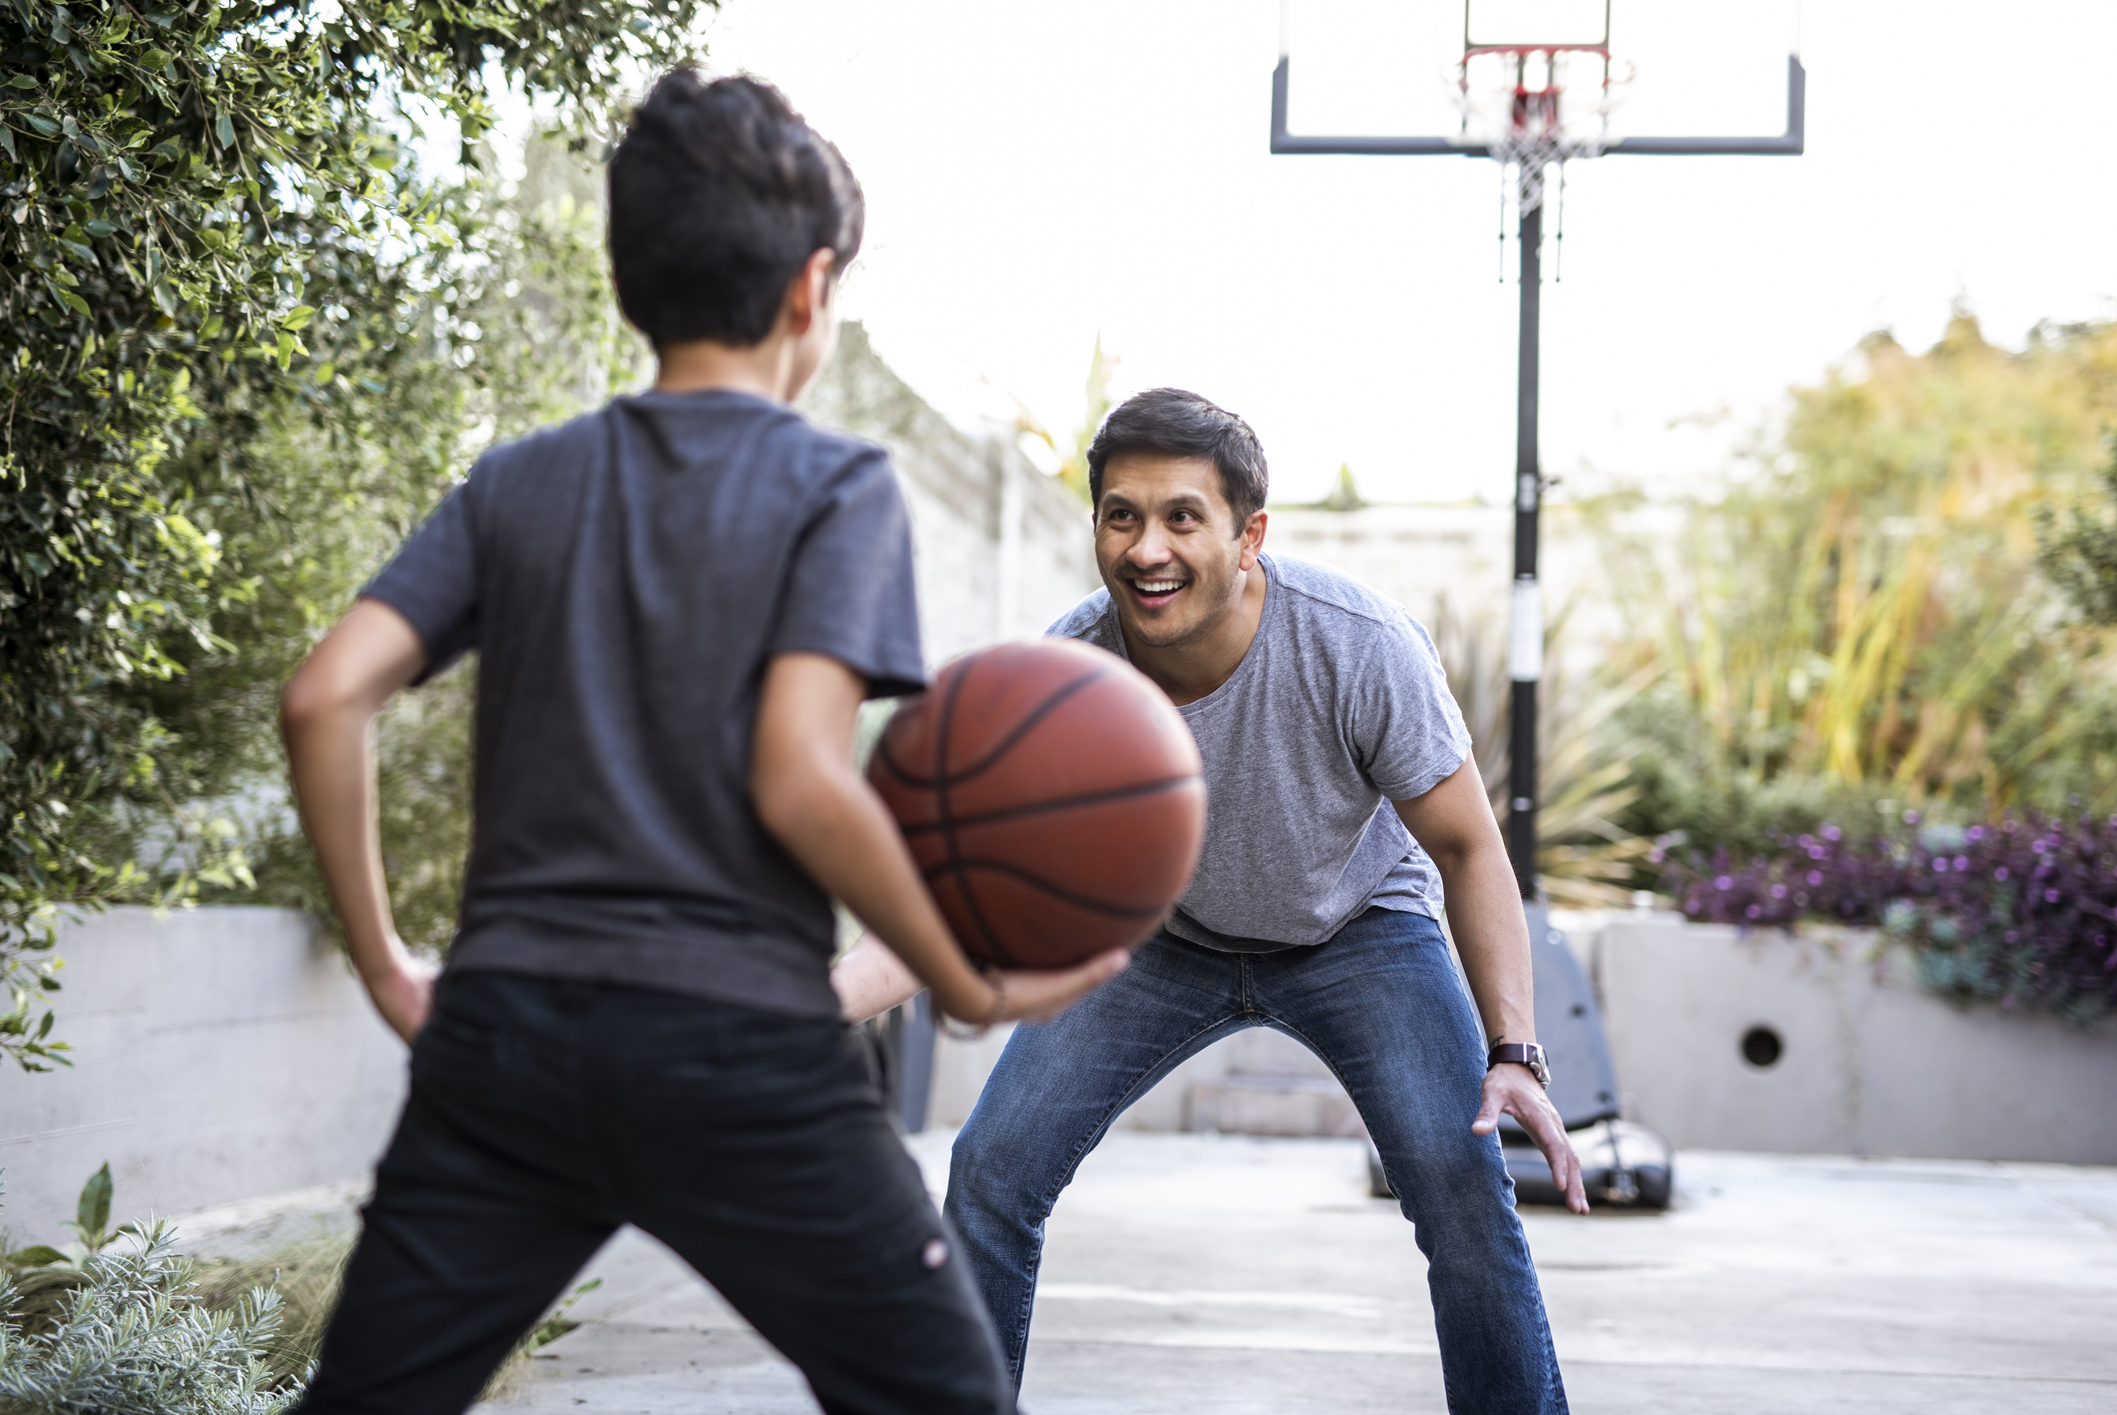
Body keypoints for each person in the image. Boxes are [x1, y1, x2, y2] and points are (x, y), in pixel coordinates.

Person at [278, 69, 1123, 1415]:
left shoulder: (518, 479)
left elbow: (324, 694)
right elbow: (798, 771)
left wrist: (387, 961)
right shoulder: (832, 484)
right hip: (737, 1049)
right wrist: (956, 973)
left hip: (505, 1045)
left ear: (632, 279)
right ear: (809, 292)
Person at [834, 388, 1586, 1413]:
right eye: (1121, 515)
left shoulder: (1357, 643)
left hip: (1357, 926)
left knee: (1462, 1192)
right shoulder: (1072, 672)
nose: (1148, 547)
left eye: (1183, 515)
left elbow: (1466, 845)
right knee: (991, 1168)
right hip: (1161, 934)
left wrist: (1514, 1051)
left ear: (1248, 535)